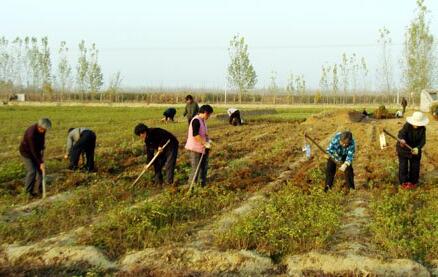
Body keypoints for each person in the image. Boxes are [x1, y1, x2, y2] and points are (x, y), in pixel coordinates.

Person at [19, 118, 51, 197]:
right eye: (43, 129)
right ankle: (27, 193)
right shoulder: (31, 134)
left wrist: (42, 146)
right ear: (39, 127)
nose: (44, 131)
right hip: (26, 153)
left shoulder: (42, 129)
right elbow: (33, 151)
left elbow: (42, 138)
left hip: (35, 151)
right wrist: (40, 162)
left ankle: (40, 191)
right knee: (32, 171)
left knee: (41, 171)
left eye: (45, 130)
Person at [396, 111, 428, 190]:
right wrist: (402, 140)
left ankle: (413, 182)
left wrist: (418, 148)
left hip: (415, 149)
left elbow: (423, 141)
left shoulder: (423, 129)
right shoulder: (407, 126)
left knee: (415, 166)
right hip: (404, 148)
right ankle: (403, 182)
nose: (417, 125)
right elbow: (401, 134)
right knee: (403, 166)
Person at [185, 105, 213, 187]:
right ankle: (191, 187)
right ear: (205, 113)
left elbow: (204, 133)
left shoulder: (203, 120)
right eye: (209, 114)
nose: (209, 116)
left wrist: (208, 140)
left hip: (203, 148)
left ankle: (202, 185)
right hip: (195, 148)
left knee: (204, 168)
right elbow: (196, 135)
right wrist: (205, 143)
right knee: (196, 169)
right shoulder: (196, 120)